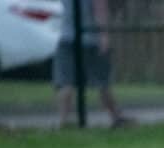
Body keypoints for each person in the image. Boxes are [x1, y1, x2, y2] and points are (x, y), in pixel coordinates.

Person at [54, 0, 130, 128]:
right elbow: (100, 10)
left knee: (66, 83)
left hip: (68, 39)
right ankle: (116, 118)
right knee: (102, 82)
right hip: (91, 40)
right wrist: (104, 36)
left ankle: (63, 122)